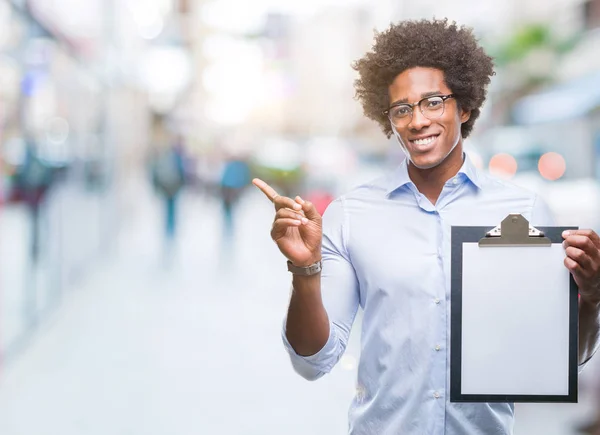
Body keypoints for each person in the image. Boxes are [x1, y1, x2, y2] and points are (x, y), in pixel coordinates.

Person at [252, 18, 600, 435]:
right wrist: (304, 271)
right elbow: (313, 361)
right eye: (402, 109)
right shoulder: (352, 214)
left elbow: (557, 355)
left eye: (433, 102)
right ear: (390, 120)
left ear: (464, 107)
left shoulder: (525, 211)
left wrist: (592, 298)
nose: (417, 121)